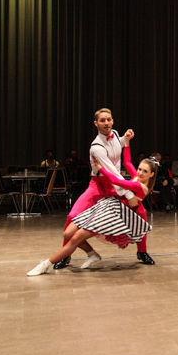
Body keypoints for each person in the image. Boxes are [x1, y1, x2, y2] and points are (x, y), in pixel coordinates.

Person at [28, 143, 157, 276]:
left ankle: (45, 264)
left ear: (151, 174)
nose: (140, 172)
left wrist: (100, 167)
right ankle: (92, 254)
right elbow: (128, 162)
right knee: (68, 234)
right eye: (140, 169)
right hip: (108, 206)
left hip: (114, 215)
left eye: (145, 171)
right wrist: (127, 143)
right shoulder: (136, 177)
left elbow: (115, 180)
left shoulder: (141, 187)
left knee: (75, 238)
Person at [52, 109, 155, 270]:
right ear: (96, 123)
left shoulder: (115, 134)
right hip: (99, 185)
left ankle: (142, 252)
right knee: (72, 216)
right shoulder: (96, 147)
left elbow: (117, 146)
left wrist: (125, 139)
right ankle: (65, 255)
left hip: (116, 184)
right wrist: (129, 194)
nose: (106, 123)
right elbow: (112, 172)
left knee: (140, 212)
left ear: (112, 121)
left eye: (109, 119)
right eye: (102, 120)